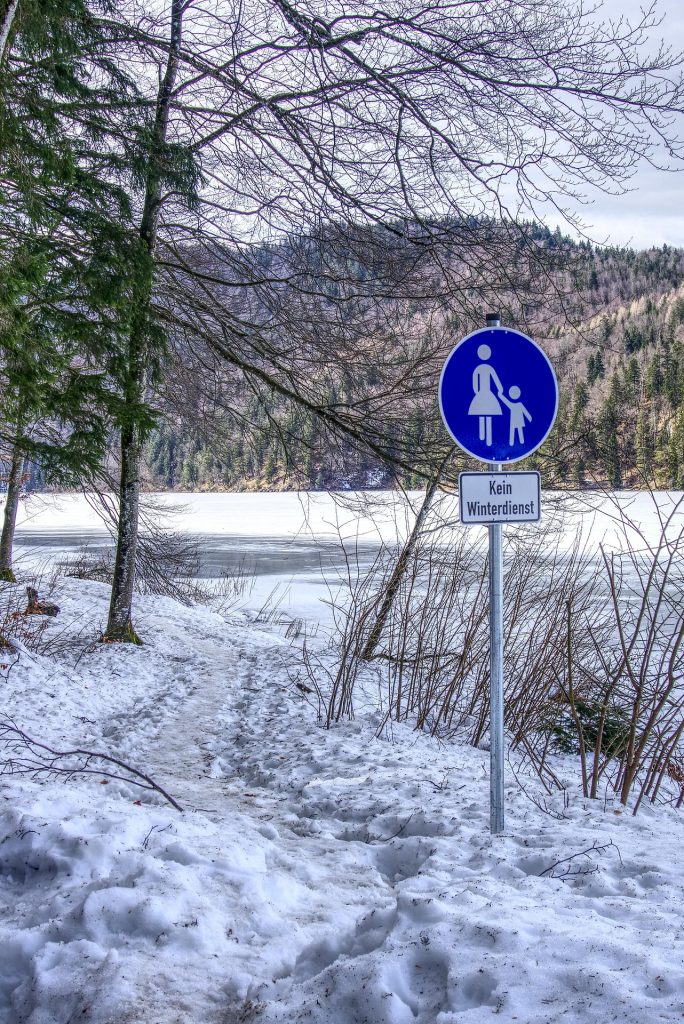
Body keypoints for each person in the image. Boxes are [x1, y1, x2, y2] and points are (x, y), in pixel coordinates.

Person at [468, 344, 503, 446]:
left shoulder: (479, 368)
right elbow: (496, 380)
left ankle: (484, 438)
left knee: (483, 414)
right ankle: (485, 439)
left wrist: (477, 392)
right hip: (486, 393)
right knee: (487, 414)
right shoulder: (487, 368)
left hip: (482, 393)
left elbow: (475, 383)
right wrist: (500, 389)